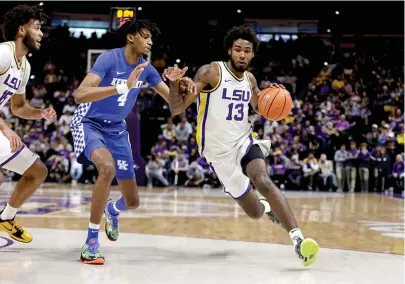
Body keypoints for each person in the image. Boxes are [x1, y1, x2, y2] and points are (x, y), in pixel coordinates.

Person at [163, 25, 319, 267]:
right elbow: (177, 108)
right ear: (230, 50)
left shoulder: (250, 79)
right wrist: (174, 84)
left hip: (244, 141)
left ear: (253, 54)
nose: (242, 55)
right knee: (255, 213)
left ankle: (298, 240)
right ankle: (266, 206)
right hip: (217, 153)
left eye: (247, 51)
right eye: (238, 50)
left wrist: (275, 96)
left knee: (263, 179)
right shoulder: (211, 72)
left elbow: (260, 106)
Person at [70, 18, 196, 265]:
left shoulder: (147, 69)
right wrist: (122, 88)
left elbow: (176, 108)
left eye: (151, 38)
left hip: (117, 129)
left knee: (132, 201)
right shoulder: (109, 58)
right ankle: (91, 242)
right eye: (146, 36)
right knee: (106, 168)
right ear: (131, 37)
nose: (150, 42)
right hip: (89, 122)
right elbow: (80, 95)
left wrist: (178, 86)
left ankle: (112, 210)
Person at [0, 5, 56, 243]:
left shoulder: (24, 66)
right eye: (37, 28)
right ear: (21, 30)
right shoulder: (3, 54)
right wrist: (5, 128)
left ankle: (6, 218)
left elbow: (18, 107)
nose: (41, 33)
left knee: (37, 171)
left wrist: (40, 113)